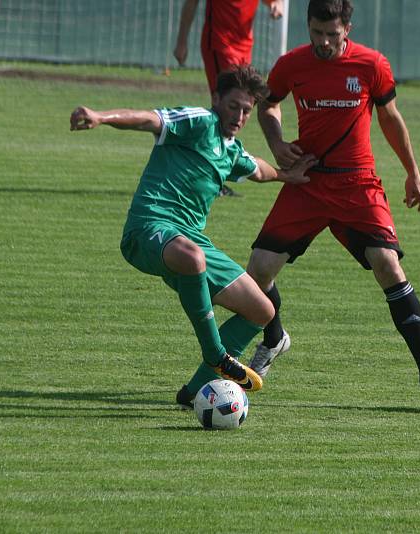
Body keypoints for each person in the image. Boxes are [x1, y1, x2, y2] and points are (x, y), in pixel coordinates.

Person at [246, 0, 420, 406]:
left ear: (348, 27)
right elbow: (268, 103)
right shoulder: (292, 64)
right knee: (258, 269)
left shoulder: (371, 64)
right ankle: (274, 338)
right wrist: (277, 142)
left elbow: (390, 117)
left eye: (332, 34)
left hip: (357, 185)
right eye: (316, 32)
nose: (324, 42)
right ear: (308, 26)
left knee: (388, 265)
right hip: (307, 181)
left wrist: (412, 171)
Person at [69, 65, 316, 407]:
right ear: (216, 99)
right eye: (234, 106)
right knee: (192, 255)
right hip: (148, 229)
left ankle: (194, 392)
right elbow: (149, 119)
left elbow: (258, 168)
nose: (240, 115)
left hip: (189, 241)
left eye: (246, 110)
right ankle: (216, 353)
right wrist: (100, 116)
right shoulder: (199, 121)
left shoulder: (230, 150)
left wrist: (287, 176)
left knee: (262, 310)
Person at [173, 0, 284, 198]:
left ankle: (214, 174)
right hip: (220, 43)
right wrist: (182, 40)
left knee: (239, 110)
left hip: (244, 46)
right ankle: (211, 177)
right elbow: (191, 3)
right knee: (224, 111)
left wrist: (275, 4)